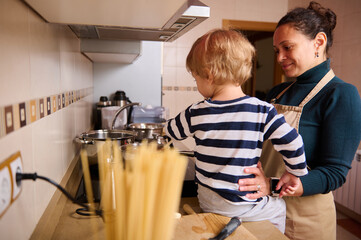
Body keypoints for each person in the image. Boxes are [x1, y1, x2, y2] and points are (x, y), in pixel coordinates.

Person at [238, 2, 361, 240]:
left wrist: (273, 185)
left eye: (287, 47)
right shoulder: (277, 92)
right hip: (263, 209)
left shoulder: (341, 94)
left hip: (305, 220)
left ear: (319, 42)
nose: (280, 57)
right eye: (277, 50)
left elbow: (334, 173)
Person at [165, 29, 308, 233]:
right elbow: (293, 142)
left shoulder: (195, 112)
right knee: (279, 207)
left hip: (209, 204)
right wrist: (295, 173)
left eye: (195, 78)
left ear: (209, 75)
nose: (196, 84)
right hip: (244, 204)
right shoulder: (263, 110)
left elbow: (171, 130)